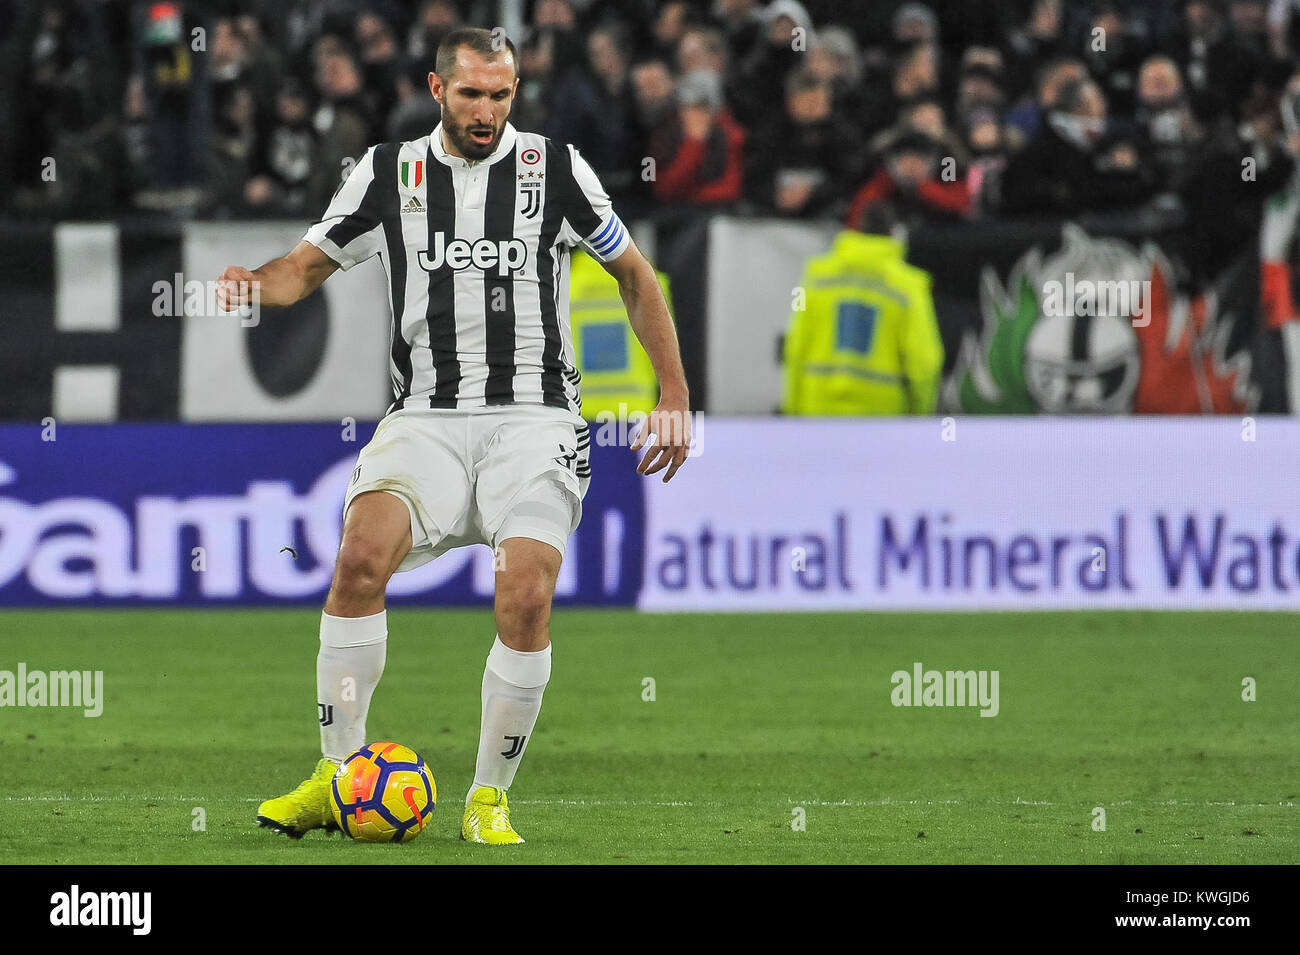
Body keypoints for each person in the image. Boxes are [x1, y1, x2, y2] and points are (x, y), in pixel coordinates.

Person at [217, 27, 691, 846]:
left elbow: (633, 274)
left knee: (527, 593)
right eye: (471, 94)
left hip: (536, 420)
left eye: (502, 95)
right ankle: (339, 776)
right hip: (426, 418)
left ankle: (486, 797)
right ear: (437, 90)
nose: (488, 111)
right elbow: (306, 266)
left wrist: (675, 392)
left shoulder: (556, 169)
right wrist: (255, 284)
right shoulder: (384, 173)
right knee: (360, 558)